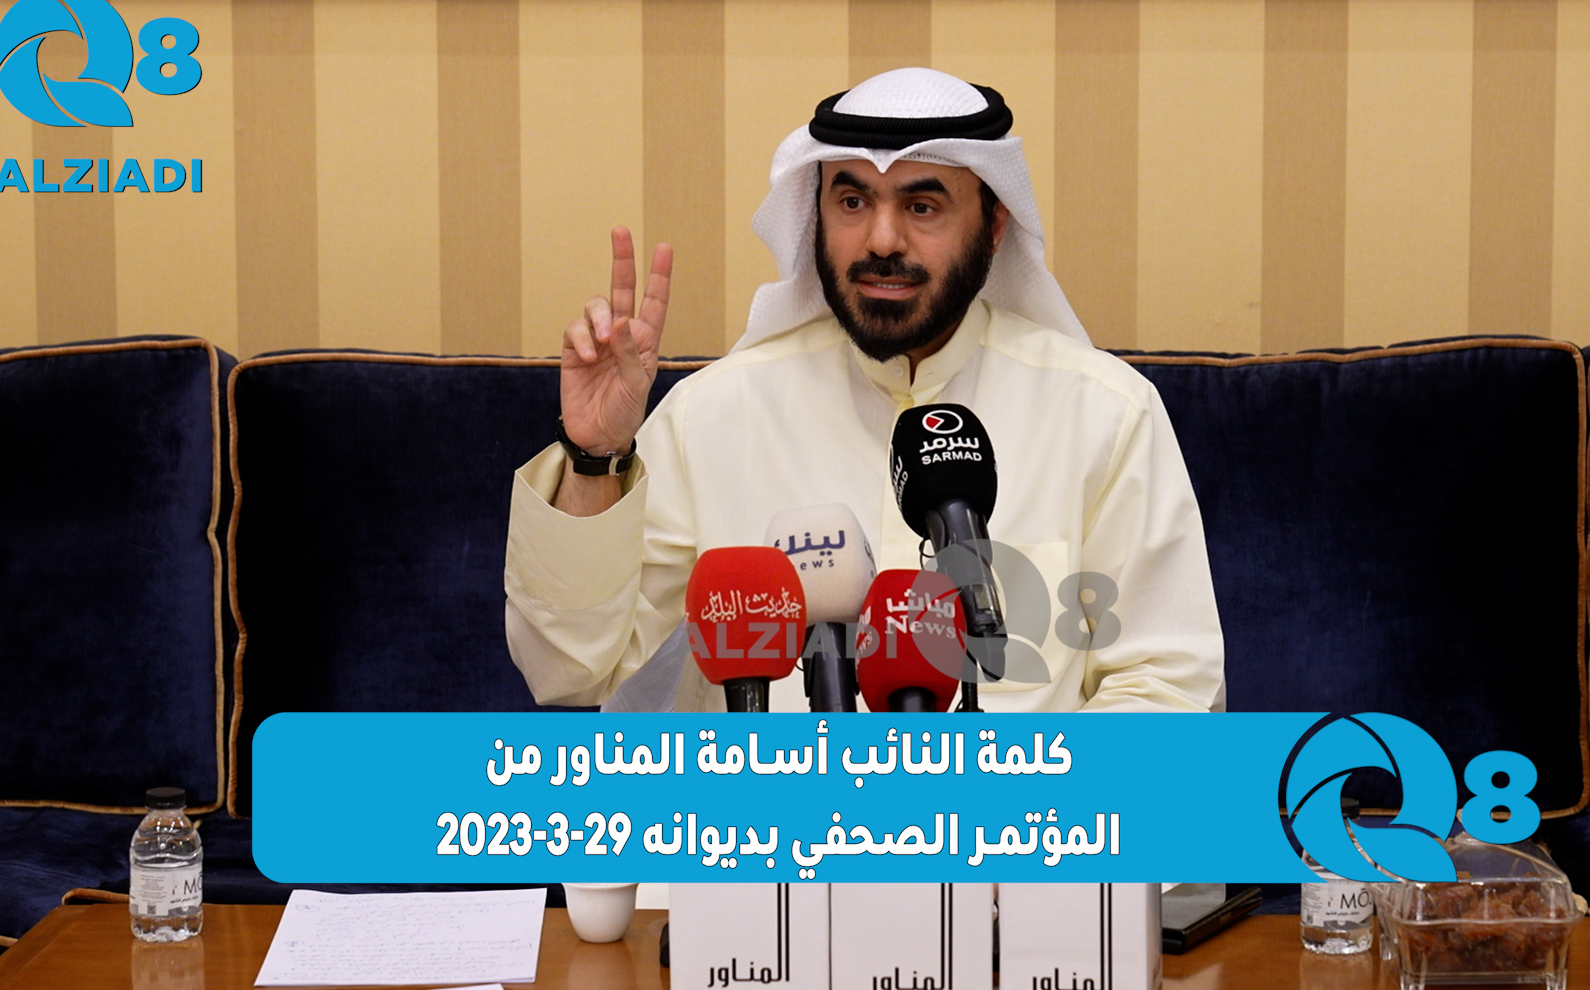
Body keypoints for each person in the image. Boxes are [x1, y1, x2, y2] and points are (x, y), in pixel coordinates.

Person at [505, 67, 1223, 713]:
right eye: (852, 201)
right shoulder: (711, 417)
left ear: (994, 226)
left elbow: (1167, 687)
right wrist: (594, 457)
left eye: (922, 207)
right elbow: (570, 669)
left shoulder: (1104, 415)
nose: (882, 240)